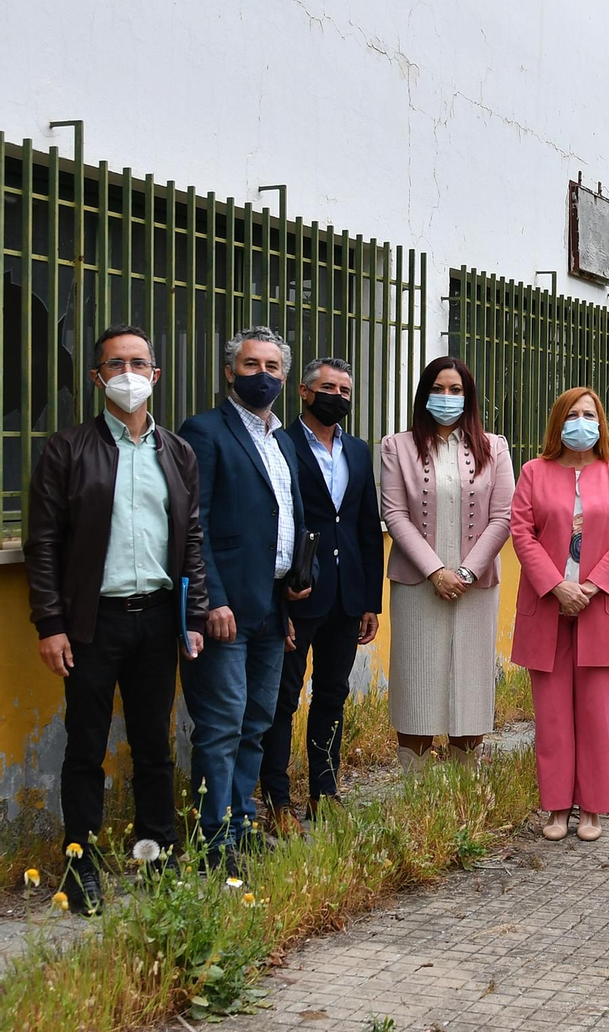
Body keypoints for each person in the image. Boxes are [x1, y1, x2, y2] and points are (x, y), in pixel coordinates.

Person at [24, 326, 208, 913]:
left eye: (139, 362)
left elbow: (192, 540)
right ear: (97, 376)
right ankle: (81, 869)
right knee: (85, 747)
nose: (128, 373)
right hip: (91, 625)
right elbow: (44, 543)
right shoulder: (67, 449)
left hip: (156, 620)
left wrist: (194, 615)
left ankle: (157, 858)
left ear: (155, 376)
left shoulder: (176, 452)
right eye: (115, 363)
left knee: (154, 747)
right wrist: (50, 625)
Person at [179, 326, 313, 873]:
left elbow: (284, 522)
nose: (264, 376)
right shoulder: (204, 432)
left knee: (257, 721)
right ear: (230, 372)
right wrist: (211, 600)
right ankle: (212, 839)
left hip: (269, 607)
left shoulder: (281, 439)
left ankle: (240, 822)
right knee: (222, 724)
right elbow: (196, 525)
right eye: (252, 366)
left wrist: (287, 601)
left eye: (273, 367)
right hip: (224, 612)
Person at [258, 358, 384, 836]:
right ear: (305, 393)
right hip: (298, 592)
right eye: (327, 387)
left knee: (333, 694)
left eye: (346, 390)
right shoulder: (280, 444)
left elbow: (365, 525)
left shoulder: (356, 449)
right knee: (282, 699)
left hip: (347, 595)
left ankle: (324, 793)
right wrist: (279, 599)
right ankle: (276, 800)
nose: (337, 396)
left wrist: (370, 599)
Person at [509, 387, 609, 842]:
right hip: (548, 606)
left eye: (589, 414)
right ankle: (557, 808)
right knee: (551, 716)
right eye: (572, 414)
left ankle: (593, 809)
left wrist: (590, 586)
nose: (580, 422)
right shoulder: (533, 472)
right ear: (557, 422)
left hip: (599, 606)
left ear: (600, 423)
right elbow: (522, 534)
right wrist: (557, 585)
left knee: (595, 713)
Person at [380, 357, 514, 770]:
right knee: (417, 684)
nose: (447, 398)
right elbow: (394, 513)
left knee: (469, 686)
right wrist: (436, 571)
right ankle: (414, 793)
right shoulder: (396, 446)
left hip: (475, 586)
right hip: (419, 585)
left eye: (456, 390)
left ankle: (464, 790)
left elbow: (503, 516)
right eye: (439, 389)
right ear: (424, 394)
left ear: (469, 398)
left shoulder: (495, 446)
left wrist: (466, 571)